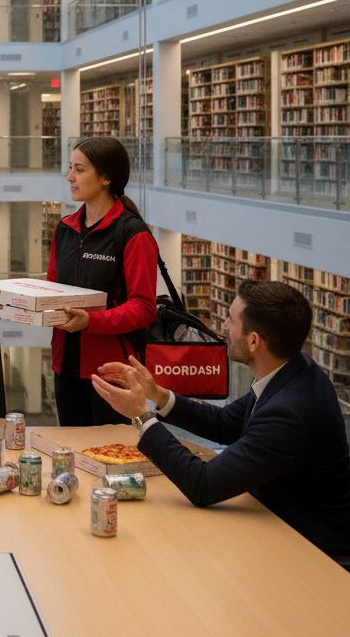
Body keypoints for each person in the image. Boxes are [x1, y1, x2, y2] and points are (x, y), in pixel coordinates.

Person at [92, 280, 350, 561]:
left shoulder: (289, 413)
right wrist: (158, 394)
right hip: (272, 525)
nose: (223, 327)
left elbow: (203, 485)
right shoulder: (293, 370)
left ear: (254, 341)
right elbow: (225, 423)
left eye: (230, 320)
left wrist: (142, 416)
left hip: (311, 552)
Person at [48, 136, 159, 426]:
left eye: (80, 170)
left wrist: (91, 321)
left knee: (111, 457)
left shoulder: (133, 234)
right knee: (72, 452)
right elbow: (52, 289)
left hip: (113, 373)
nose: (70, 177)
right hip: (65, 367)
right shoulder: (64, 230)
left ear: (106, 177)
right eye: (71, 168)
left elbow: (144, 307)